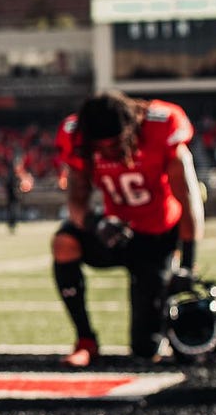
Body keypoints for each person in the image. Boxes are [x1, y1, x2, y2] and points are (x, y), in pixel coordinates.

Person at [53, 89, 204, 367]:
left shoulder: (162, 125)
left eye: (113, 144)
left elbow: (189, 199)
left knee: (145, 348)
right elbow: (75, 200)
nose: (107, 152)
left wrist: (188, 265)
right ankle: (85, 340)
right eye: (100, 147)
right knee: (64, 242)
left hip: (157, 237)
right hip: (114, 233)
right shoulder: (77, 136)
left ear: (131, 128)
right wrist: (95, 223)